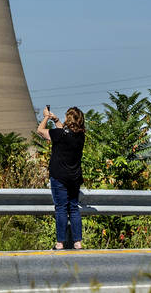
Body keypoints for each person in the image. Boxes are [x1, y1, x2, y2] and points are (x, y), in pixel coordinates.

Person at [36, 106, 86, 250]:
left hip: (59, 177)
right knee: (74, 208)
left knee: (61, 209)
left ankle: (60, 243)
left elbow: (40, 131)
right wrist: (56, 120)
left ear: (68, 119)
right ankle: (78, 243)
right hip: (74, 178)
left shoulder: (59, 134)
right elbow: (65, 132)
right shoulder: (80, 135)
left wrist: (46, 117)